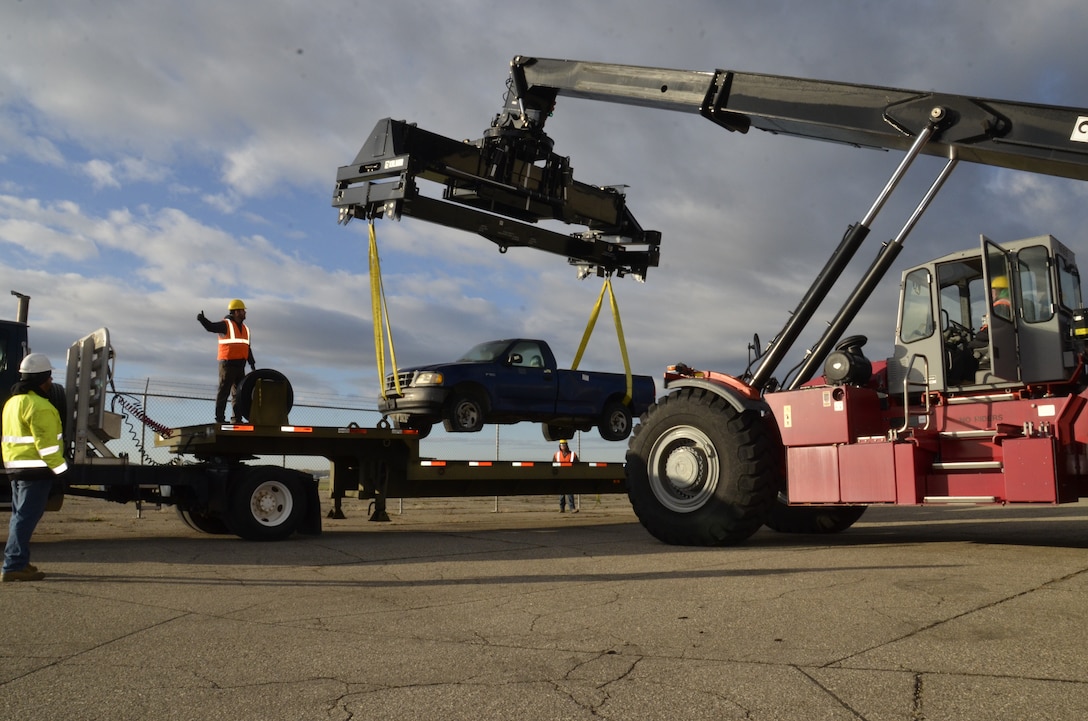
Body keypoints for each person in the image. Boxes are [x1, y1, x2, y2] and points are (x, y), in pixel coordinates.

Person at [2, 353, 68, 582]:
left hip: (16, 468)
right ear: (42, 378)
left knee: (19, 516)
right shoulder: (40, 406)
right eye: (49, 378)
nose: (51, 383)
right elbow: (47, 447)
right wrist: (61, 471)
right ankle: (13, 566)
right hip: (36, 471)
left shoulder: (13, 403)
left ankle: (19, 560)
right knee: (26, 518)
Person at [198, 299, 256, 424]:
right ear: (236, 312)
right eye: (242, 310)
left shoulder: (245, 329)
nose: (245, 313)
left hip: (240, 365)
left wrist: (251, 362)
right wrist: (203, 320)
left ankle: (237, 419)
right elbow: (211, 327)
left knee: (238, 394)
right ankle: (220, 419)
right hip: (227, 365)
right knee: (224, 392)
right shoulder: (226, 324)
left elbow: (246, 346)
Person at [554, 440, 578, 513]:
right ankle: (561, 508)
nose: (563, 446)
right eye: (561, 445)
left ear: (567, 445)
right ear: (559, 446)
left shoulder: (573, 454)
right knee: (561, 494)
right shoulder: (556, 455)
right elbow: (553, 466)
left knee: (570, 493)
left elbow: (578, 466)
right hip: (560, 476)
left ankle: (572, 508)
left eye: (564, 445)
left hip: (569, 476)